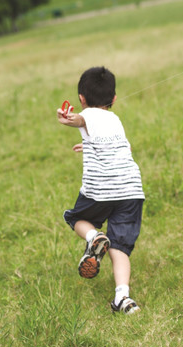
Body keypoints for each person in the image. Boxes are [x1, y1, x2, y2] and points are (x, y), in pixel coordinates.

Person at [57, 66, 145, 315]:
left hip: (102, 188)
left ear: (81, 100)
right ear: (114, 99)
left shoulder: (88, 114)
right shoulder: (116, 120)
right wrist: (89, 145)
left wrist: (67, 118)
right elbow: (121, 149)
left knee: (75, 218)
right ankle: (123, 298)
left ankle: (93, 238)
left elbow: (82, 119)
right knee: (120, 247)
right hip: (130, 189)